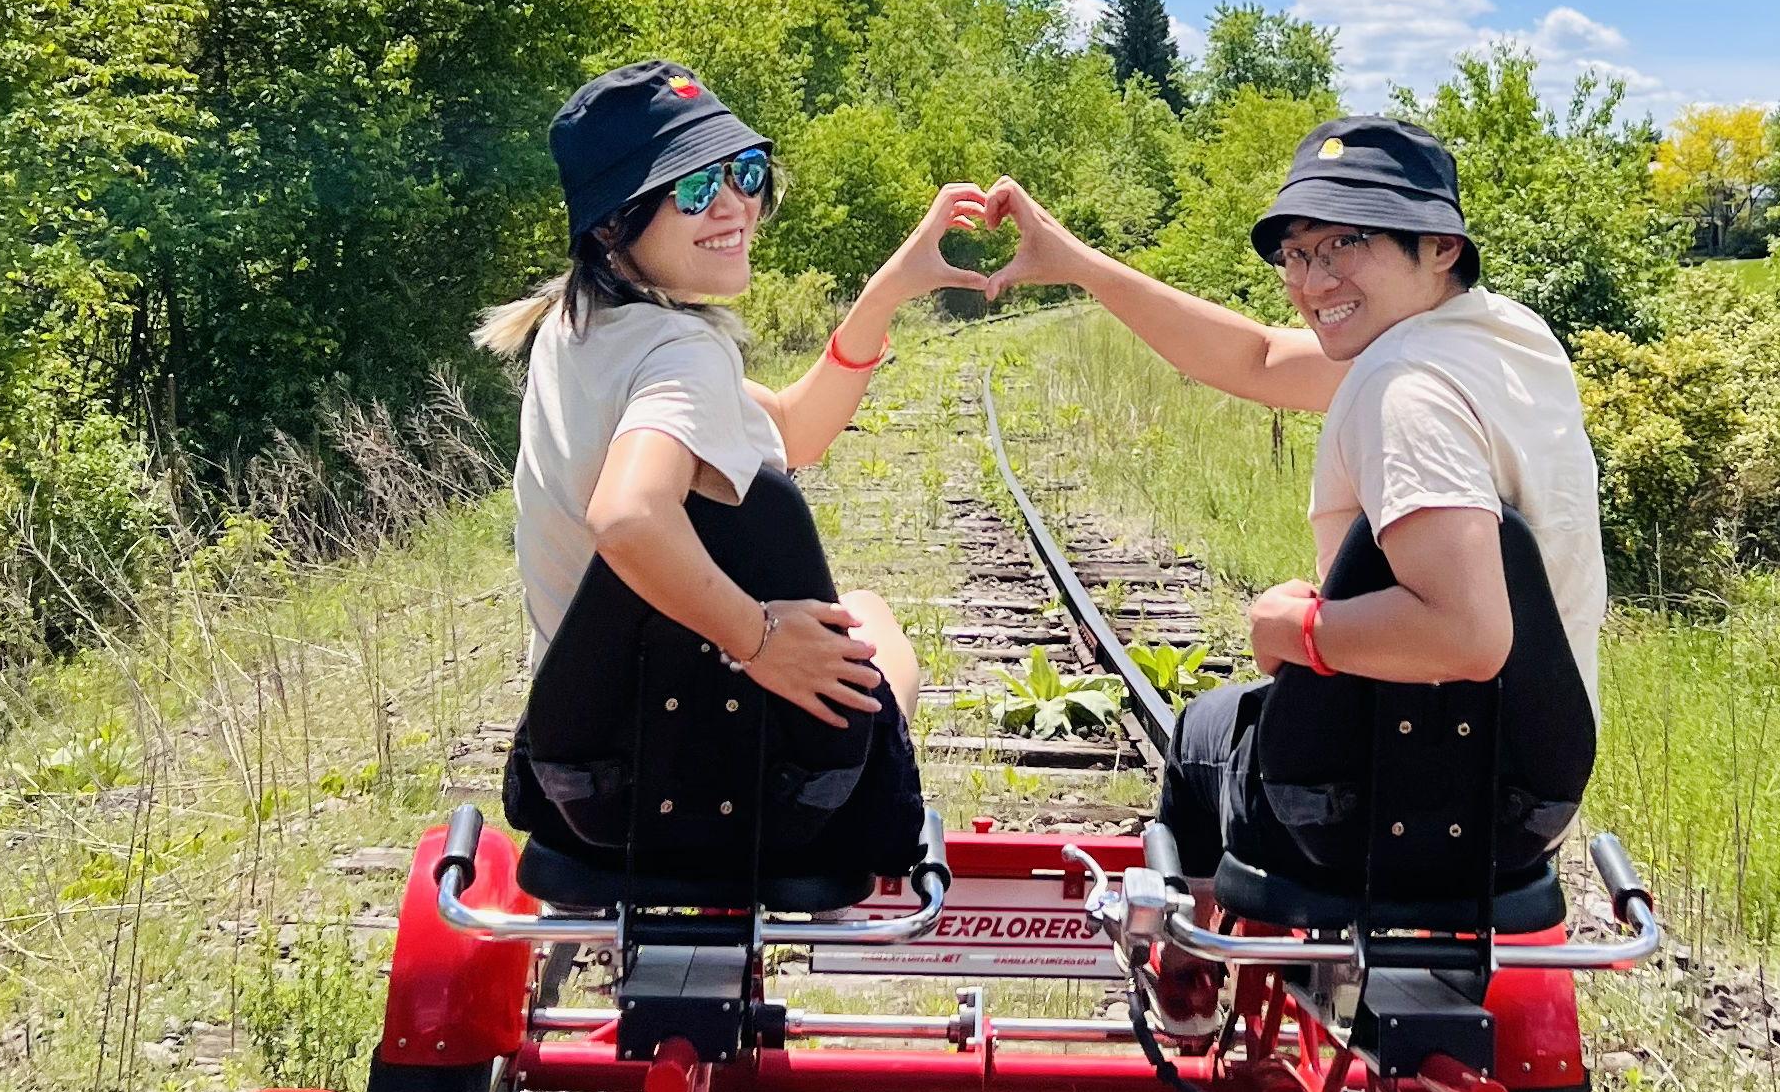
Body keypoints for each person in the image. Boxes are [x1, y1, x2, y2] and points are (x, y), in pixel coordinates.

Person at [976, 119, 1606, 960]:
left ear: (1441, 247)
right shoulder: (1505, 341)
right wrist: (1076, 262)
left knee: (1203, 733)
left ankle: (1188, 978)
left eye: (1347, 242)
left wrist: (1297, 630)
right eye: (1297, 254)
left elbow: (1468, 632)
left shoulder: (1403, 389)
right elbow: (1261, 360)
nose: (1314, 278)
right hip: (1531, 799)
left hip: (1364, 805)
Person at [476, 61, 993, 891]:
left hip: (591, 776)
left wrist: (888, 290)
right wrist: (762, 642)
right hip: (751, 782)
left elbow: (791, 429)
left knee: (860, 612)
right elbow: (630, 515)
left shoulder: (580, 334)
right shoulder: (680, 355)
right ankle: (884, 807)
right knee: (872, 617)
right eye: (691, 190)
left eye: (744, 175)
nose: (734, 206)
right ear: (614, 227)